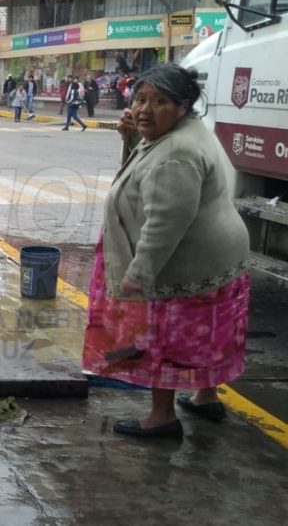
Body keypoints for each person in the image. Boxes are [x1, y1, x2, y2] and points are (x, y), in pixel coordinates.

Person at [82, 64, 251, 439]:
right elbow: (142, 173)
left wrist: (138, 275)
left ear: (182, 105)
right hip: (219, 258)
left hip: (183, 264)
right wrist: (130, 139)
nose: (145, 109)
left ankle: (162, 417)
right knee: (208, 334)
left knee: (167, 339)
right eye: (140, 98)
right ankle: (206, 396)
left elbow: (164, 223)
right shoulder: (180, 132)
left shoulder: (176, 151)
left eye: (160, 102)